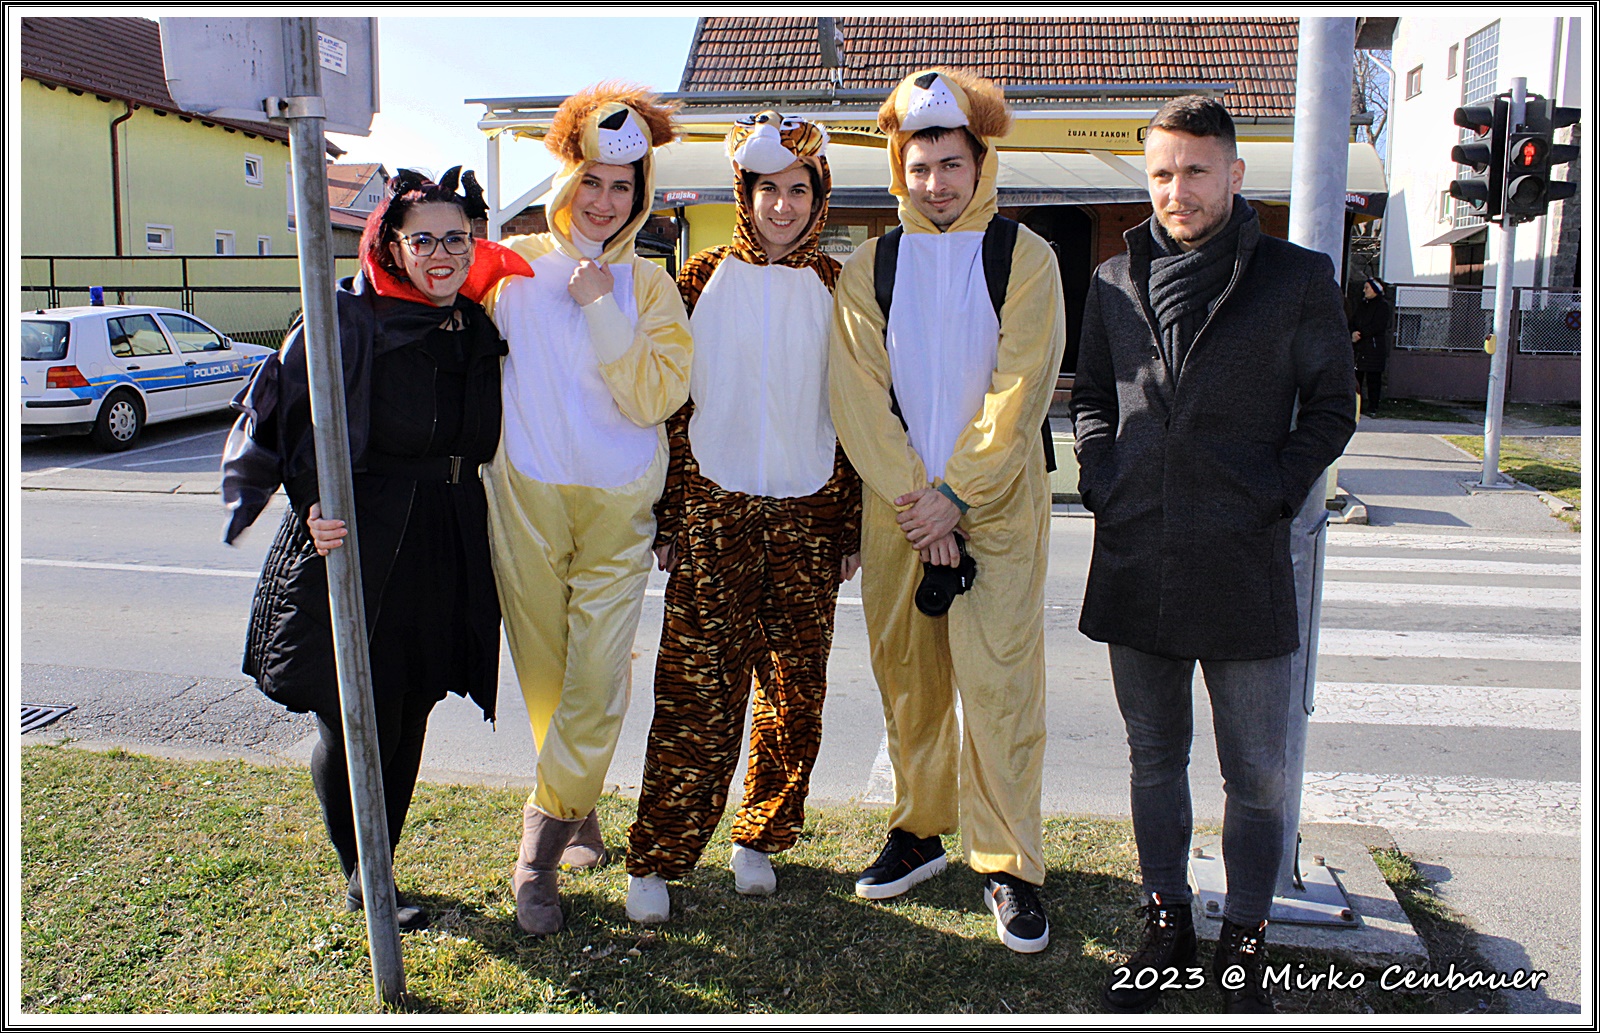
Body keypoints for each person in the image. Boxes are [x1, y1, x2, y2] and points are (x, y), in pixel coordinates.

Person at [1070, 96, 1357, 1012]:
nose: (1177, 189)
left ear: (1235, 174)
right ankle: (1167, 919)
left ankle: (1245, 940)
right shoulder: (1113, 280)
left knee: (1258, 773)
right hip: (1138, 551)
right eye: (1161, 172)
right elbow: (1090, 400)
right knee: (1154, 755)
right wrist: (1102, 476)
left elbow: (1331, 408)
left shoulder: (1297, 278)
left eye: (1195, 170)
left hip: (1242, 555)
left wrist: (1275, 491)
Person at [222, 167, 532, 932]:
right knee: (353, 708)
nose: (440, 253)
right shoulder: (345, 320)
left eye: (455, 238)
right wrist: (309, 496)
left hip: (445, 531)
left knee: (414, 701)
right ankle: (364, 871)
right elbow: (282, 414)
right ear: (390, 244)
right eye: (421, 238)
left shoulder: (473, 324)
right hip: (360, 534)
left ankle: (380, 856)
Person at [829, 68, 1065, 954]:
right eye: (920, 165)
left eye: (952, 164)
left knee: (1001, 687)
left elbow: (1020, 388)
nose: (936, 182)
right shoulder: (869, 264)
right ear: (901, 167)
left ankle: (1009, 862)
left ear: (981, 162)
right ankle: (920, 827)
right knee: (908, 677)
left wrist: (957, 495)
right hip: (899, 512)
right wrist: (917, 502)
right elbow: (857, 394)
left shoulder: (1025, 256)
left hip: (994, 510)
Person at [622, 112, 862, 923]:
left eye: (799, 190)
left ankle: (759, 835)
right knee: (696, 695)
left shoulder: (841, 287)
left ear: (818, 196)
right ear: (745, 195)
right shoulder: (696, 278)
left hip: (809, 517)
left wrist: (852, 524)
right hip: (712, 514)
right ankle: (657, 854)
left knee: (795, 698)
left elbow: (862, 412)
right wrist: (665, 516)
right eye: (769, 190)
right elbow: (663, 407)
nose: (783, 206)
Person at [477, 82, 692, 937]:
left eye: (624, 187)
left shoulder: (648, 287)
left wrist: (602, 304)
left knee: (597, 679)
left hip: (617, 507)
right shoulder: (508, 265)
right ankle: (577, 802)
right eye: (595, 181)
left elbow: (655, 396)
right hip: (524, 496)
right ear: (568, 177)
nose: (606, 202)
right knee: (546, 675)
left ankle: (537, 849)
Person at [1350, 276, 1392, 414]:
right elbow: (1354, 320)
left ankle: (1373, 407)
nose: (1364, 290)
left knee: (1373, 379)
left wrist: (1360, 334)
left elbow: (1378, 326)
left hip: (1373, 348)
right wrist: (1353, 333)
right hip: (1360, 348)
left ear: (1375, 290)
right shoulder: (1363, 305)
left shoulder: (1382, 306)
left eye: (1367, 288)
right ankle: (1356, 406)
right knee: (1357, 377)